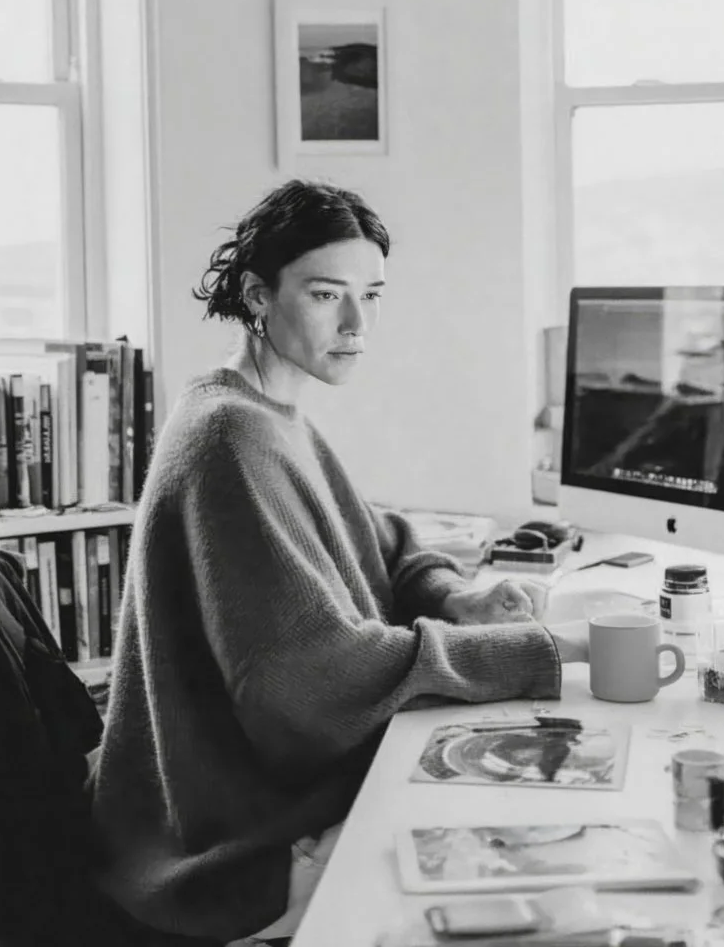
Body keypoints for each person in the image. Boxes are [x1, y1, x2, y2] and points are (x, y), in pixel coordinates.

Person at [89, 179, 589, 946]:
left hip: (264, 796)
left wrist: (454, 599)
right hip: (240, 839)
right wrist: (538, 653)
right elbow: (312, 686)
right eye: (327, 295)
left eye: (373, 295)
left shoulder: (264, 411)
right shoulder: (229, 439)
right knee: (546, 891)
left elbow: (379, 540)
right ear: (258, 295)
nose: (358, 323)